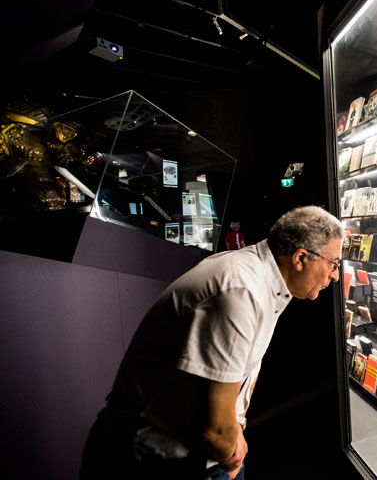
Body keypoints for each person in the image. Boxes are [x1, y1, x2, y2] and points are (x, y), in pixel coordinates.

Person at [80, 206, 344, 480]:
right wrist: (229, 453)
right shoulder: (241, 291)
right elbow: (216, 431)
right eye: (334, 264)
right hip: (156, 460)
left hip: (177, 449)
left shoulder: (253, 273)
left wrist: (232, 433)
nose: (335, 276)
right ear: (301, 257)